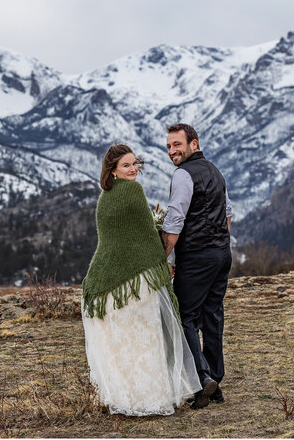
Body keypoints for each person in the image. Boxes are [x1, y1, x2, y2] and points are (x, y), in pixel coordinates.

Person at [81, 143, 201, 416]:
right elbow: (147, 235)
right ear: (112, 170)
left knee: (123, 343)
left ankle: (125, 398)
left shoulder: (105, 197)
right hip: (136, 281)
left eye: (136, 163)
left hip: (106, 279)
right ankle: (151, 398)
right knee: (146, 338)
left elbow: (116, 240)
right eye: (126, 165)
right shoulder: (133, 192)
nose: (133, 169)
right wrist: (161, 263)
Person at [161, 123, 233, 410]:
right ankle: (215, 379)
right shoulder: (215, 170)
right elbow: (228, 213)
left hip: (197, 256)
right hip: (221, 254)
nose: (172, 151)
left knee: (186, 316)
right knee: (213, 315)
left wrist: (164, 257)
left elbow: (175, 220)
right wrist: (219, 243)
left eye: (177, 144)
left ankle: (201, 378)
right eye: (168, 146)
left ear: (194, 143)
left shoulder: (183, 174)